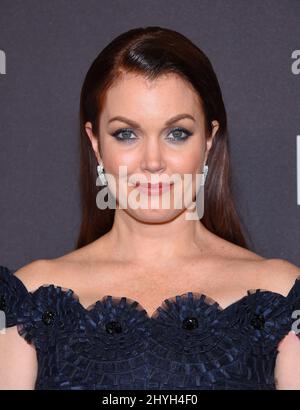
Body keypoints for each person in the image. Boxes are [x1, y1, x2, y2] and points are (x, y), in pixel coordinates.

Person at [1, 26, 300, 390]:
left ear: (208, 140)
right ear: (96, 144)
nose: (153, 161)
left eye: (177, 133)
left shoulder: (280, 295)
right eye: (126, 134)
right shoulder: (30, 298)